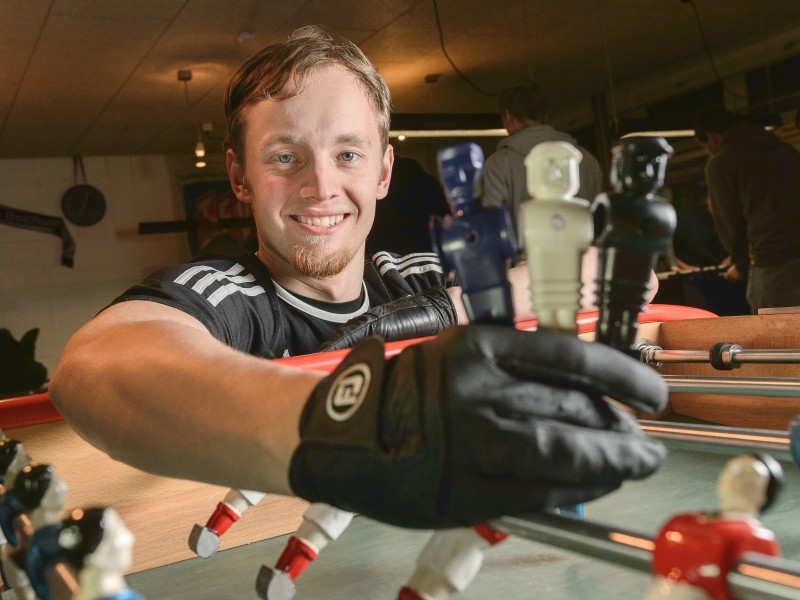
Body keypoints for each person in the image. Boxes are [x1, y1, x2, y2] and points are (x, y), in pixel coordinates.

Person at [49, 26, 666, 534]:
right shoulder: (230, 295)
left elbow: (611, 269)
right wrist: (351, 423)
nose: (321, 186)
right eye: (284, 157)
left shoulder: (420, 276)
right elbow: (92, 365)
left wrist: (452, 308)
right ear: (238, 177)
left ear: (383, 172)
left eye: (348, 154)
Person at [694, 107, 800, 313]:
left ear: (713, 138)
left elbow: (730, 225)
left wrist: (740, 262)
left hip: (775, 264)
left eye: (706, 147)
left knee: (775, 338)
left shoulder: (722, 162)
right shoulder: (787, 152)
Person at [645, 454, 782, 599]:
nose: (734, 476)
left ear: (763, 495)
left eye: (748, 473)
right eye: (731, 469)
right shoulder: (679, 523)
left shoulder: (755, 540)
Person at [481, 78, 603, 231]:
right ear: (545, 115)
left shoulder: (499, 164)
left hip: (528, 254)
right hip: (580, 252)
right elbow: (598, 221)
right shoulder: (587, 160)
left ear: (508, 117)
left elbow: (494, 224)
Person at [365, 155, 451, 256]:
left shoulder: (376, 186)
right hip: (427, 251)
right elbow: (443, 216)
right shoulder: (427, 182)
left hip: (383, 253)